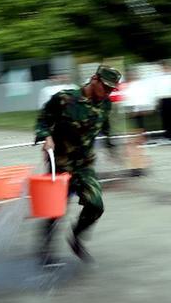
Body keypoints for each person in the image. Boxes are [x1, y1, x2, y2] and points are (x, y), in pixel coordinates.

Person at [34, 65, 121, 266]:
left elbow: (105, 124)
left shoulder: (105, 104)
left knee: (96, 205)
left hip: (84, 165)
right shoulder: (65, 99)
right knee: (55, 210)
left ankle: (76, 237)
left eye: (111, 90)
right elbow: (43, 120)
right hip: (61, 165)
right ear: (94, 79)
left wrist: (111, 146)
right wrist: (45, 136)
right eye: (105, 87)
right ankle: (45, 249)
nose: (107, 93)